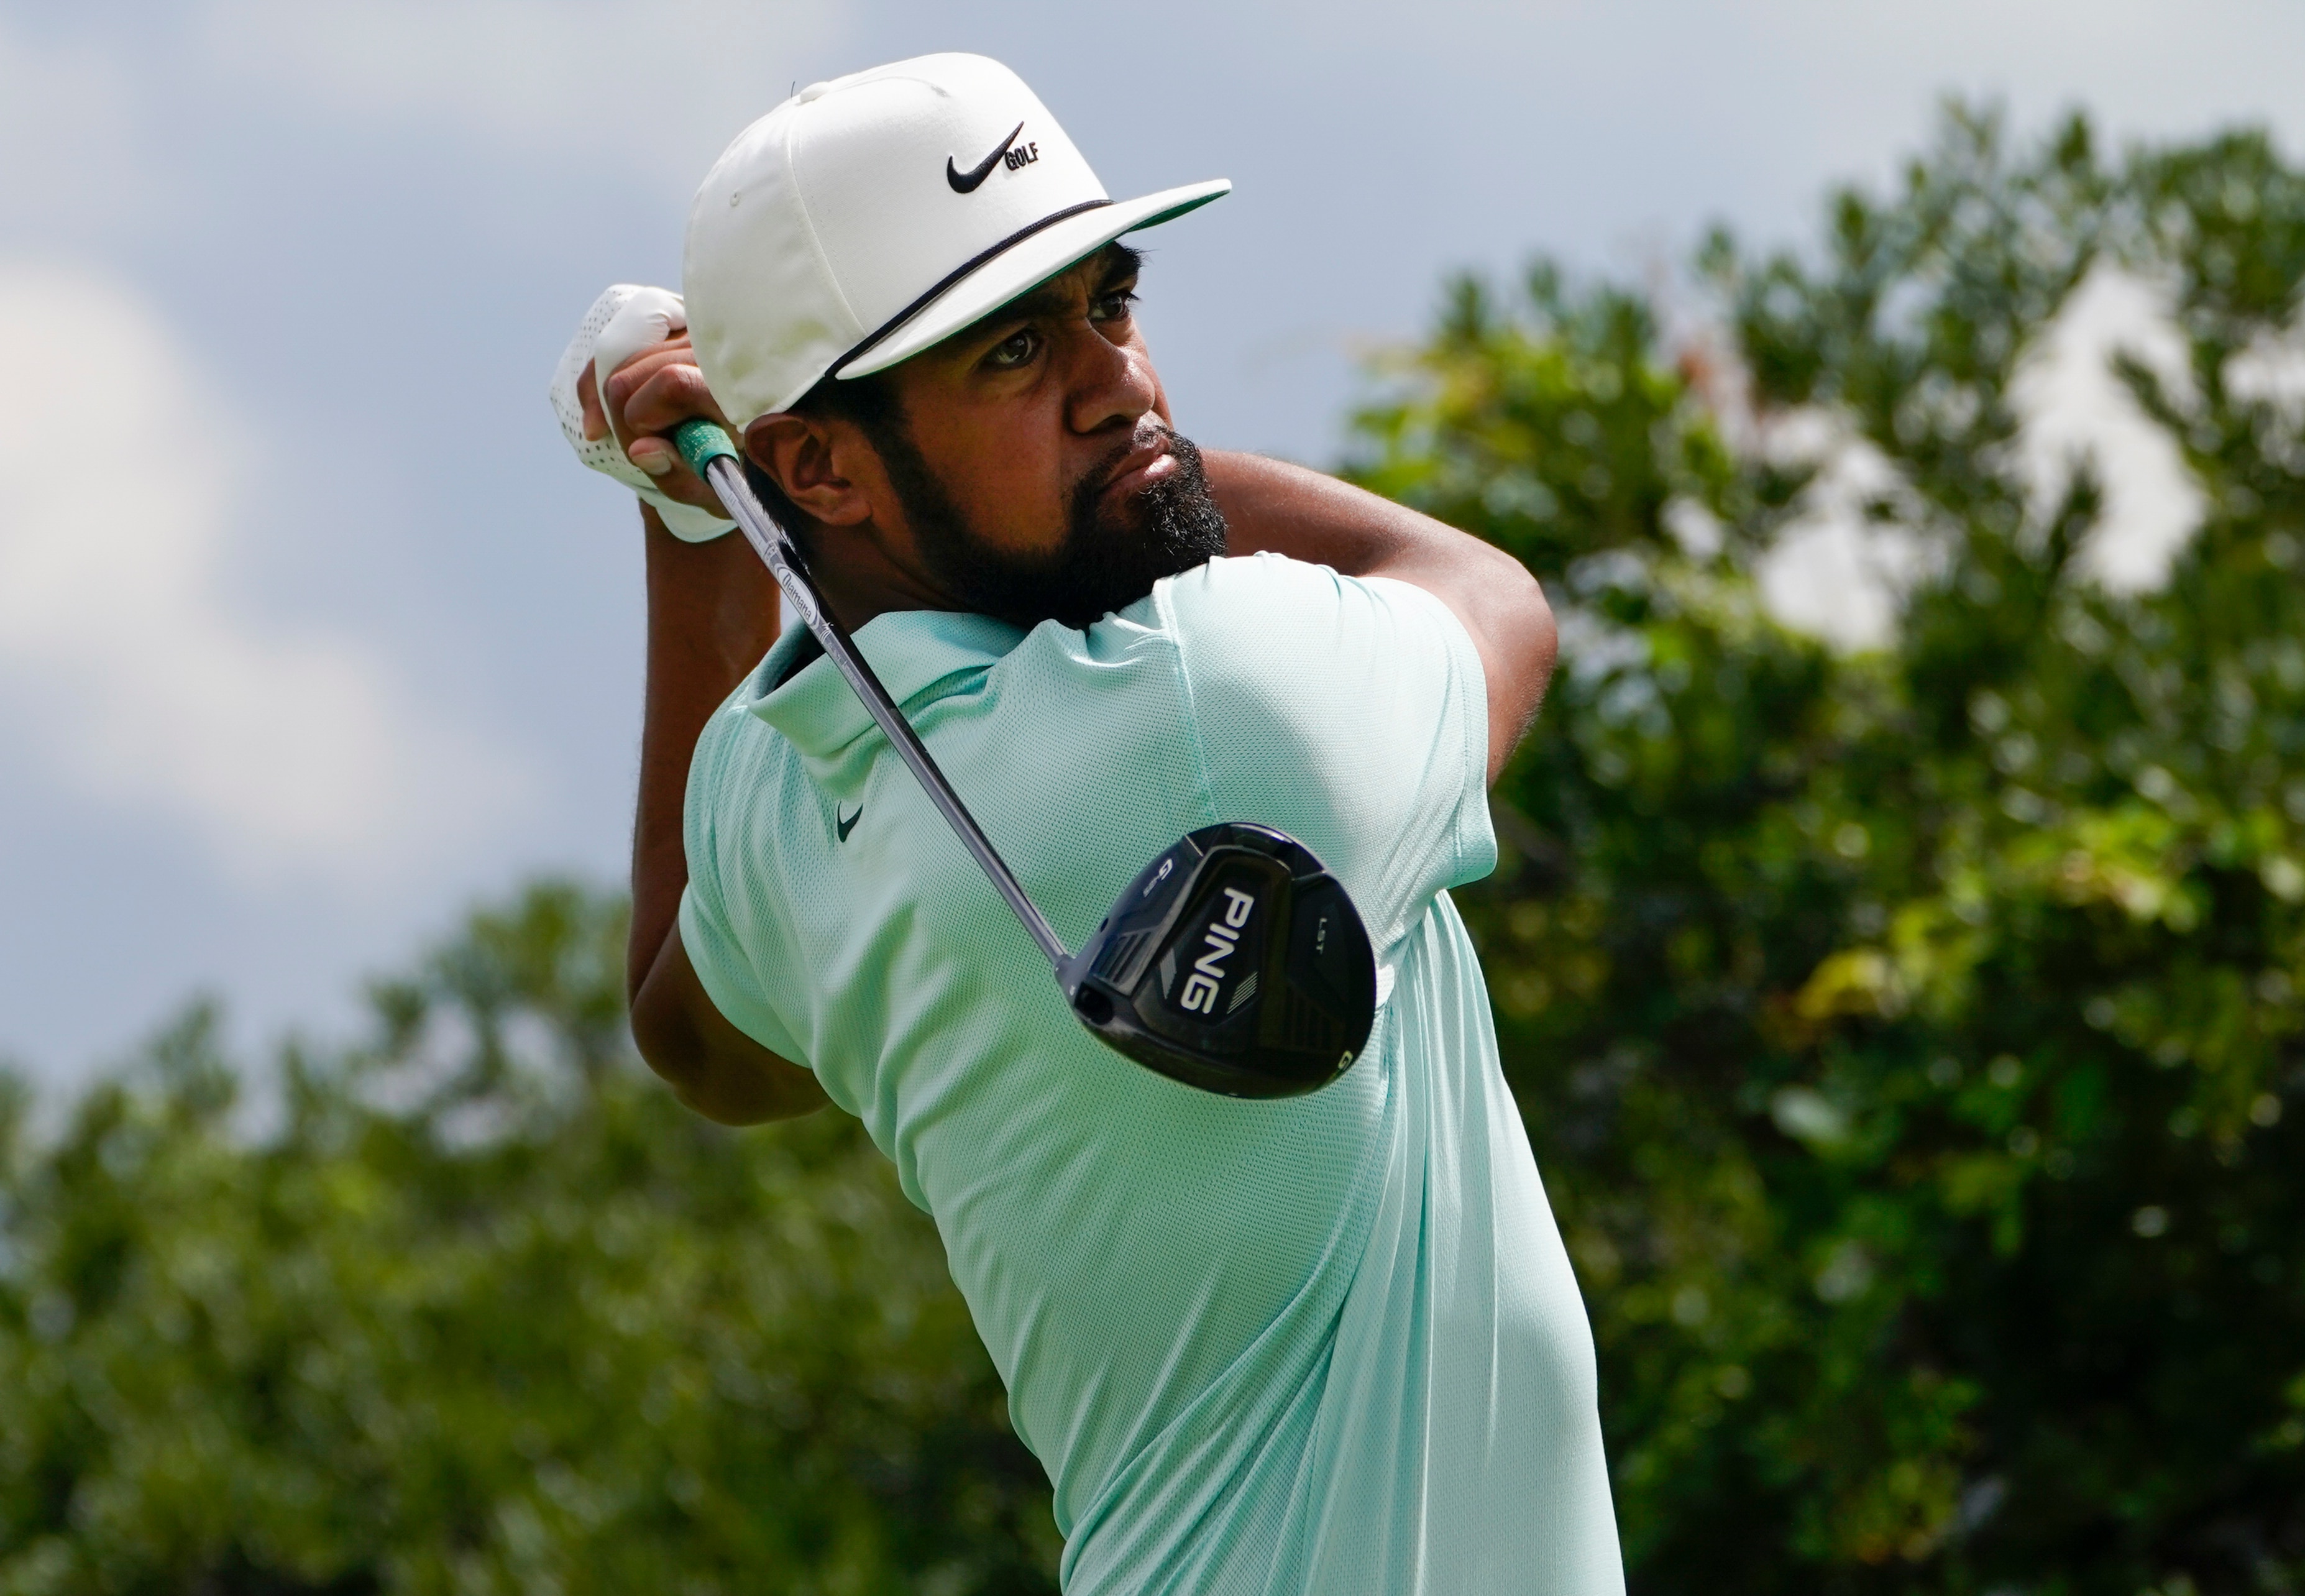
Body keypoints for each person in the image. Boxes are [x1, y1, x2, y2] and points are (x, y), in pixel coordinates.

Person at [552, 52, 1626, 1596]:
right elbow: (1486, 592)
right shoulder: (1218, 696)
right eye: (1012, 352)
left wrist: (693, 515)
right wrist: (1149, 480)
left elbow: (690, 1033)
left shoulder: (790, 804)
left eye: (1110, 302)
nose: (1118, 382)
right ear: (826, 468)